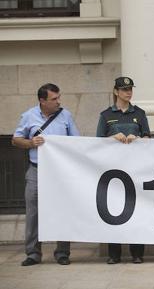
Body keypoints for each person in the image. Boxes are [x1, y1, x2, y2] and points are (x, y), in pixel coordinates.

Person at [12, 83, 80, 266]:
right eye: (54, 99)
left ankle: (63, 252)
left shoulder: (66, 116)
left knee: (62, 210)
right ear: (42, 101)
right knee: (33, 212)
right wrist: (31, 143)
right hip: (36, 170)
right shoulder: (28, 116)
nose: (59, 101)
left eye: (59, 97)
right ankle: (33, 253)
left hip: (59, 173)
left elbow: (76, 141)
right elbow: (16, 140)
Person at [96, 77, 150, 264]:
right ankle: (114, 254)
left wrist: (138, 138)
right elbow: (97, 143)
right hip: (113, 170)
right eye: (124, 89)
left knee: (137, 210)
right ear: (116, 91)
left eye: (130, 89)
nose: (128, 92)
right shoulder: (105, 115)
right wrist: (112, 138)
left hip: (136, 169)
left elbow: (148, 138)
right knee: (113, 210)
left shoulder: (140, 113)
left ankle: (137, 253)